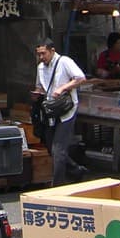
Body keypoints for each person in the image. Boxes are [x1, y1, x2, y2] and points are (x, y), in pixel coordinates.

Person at [34, 40, 86, 183]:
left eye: (43, 53)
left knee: (58, 150)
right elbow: (41, 87)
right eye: (39, 54)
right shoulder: (40, 68)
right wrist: (37, 93)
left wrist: (63, 88)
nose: (41, 57)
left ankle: (57, 185)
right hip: (51, 111)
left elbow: (81, 78)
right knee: (51, 147)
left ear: (52, 51)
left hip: (66, 109)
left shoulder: (64, 62)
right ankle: (76, 170)